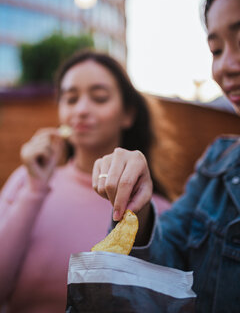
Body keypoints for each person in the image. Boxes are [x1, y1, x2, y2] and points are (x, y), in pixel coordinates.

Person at [92, 0, 240, 313]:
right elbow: (165, 264)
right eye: (216, 49)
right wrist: (137, 208)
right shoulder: (218, 162)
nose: (226, 65)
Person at [0, 50, 171, 312]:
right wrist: (34, 191)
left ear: (128, 114)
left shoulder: (154, 209)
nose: (81, 110)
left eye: (99, 98)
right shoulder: (27, 180)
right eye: (70, 99)